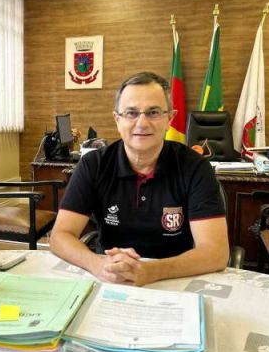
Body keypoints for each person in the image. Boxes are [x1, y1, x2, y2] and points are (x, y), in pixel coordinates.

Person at [50, 71, 229, 286]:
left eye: (153, 112)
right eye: (131, 113)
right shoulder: (93, 165)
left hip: (175, 278)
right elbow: (60, 236)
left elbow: (216, 252)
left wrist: (151, 271)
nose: (142, 123)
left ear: (169, 118)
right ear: (117, 120)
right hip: (109, 276)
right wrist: (98, 265)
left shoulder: (195, 167)